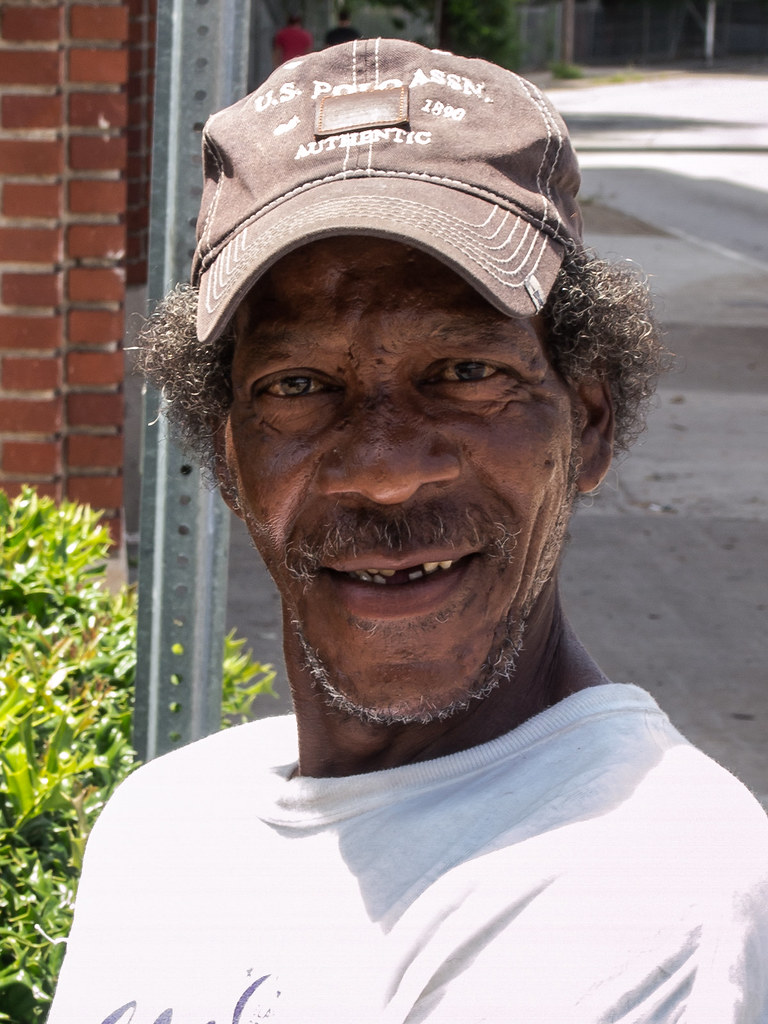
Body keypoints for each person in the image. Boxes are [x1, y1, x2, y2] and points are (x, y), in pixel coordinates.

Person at [48, 39, 768, 1024]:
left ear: (589, 420)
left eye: (467, 372)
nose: (385, 470)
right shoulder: (162, 829)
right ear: (228, 456)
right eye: (299, 386)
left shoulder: (648, 881)